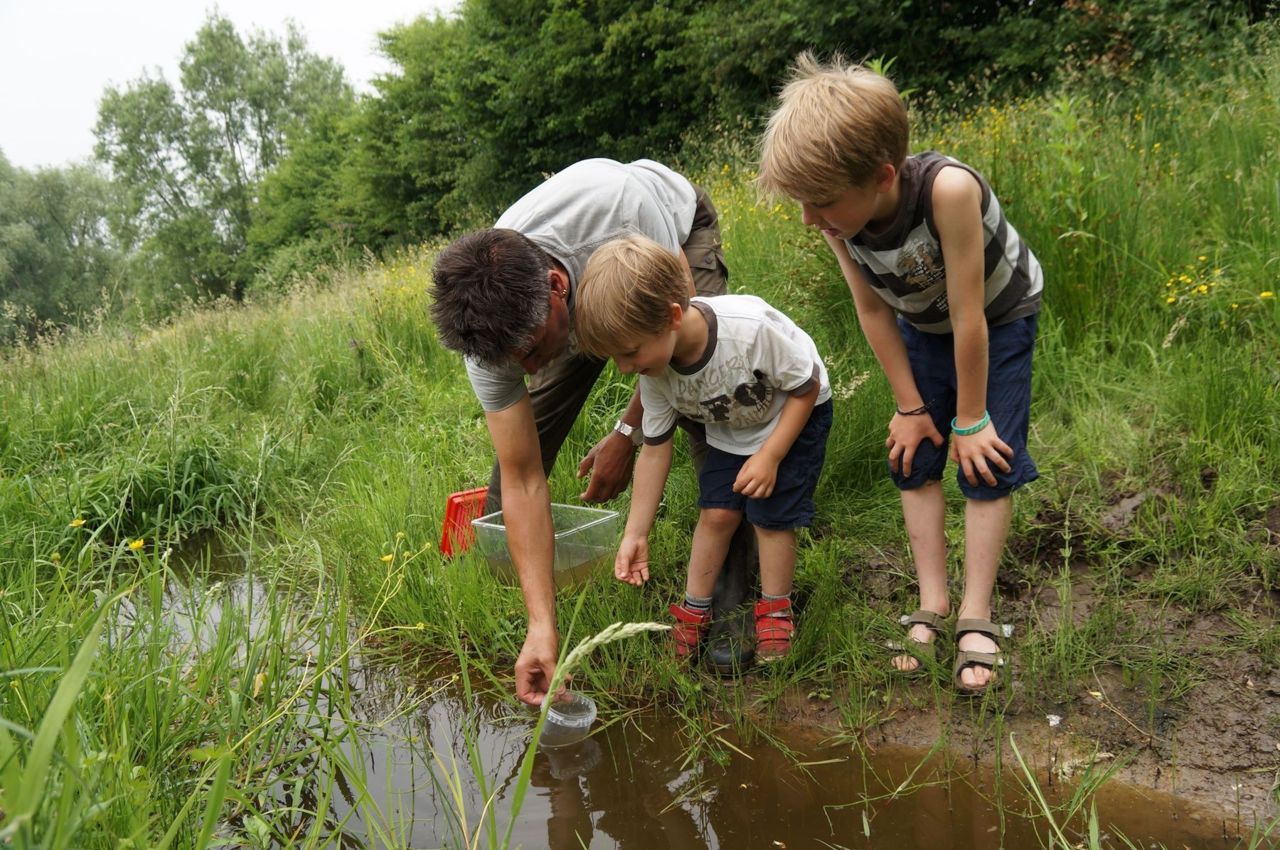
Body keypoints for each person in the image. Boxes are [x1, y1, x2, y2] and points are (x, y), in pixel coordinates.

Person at [757, 54, 1043, 693]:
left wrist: (971, 420)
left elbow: (971, 318)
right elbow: (871, 309)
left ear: (883, 175)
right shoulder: (837, 217)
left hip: (996, 318)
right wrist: (911, 407)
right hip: (920, 322)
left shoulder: (949, 191)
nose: (810, 219)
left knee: (985, 458)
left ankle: (976, 614)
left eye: (821, 203)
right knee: (913, 456)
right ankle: (933, 603)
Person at [429, 159, 757, 706]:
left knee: (707, 405)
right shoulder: (492, 334)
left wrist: (628, 433)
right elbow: (524, 478)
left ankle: (734, 600)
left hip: (669, 241)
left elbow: (666, 344)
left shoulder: (620, 210)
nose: (530, 370)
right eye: (516, 363)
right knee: (523, 441)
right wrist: (543, 623)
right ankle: (522, 610)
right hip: (565, 306)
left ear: (557, 288)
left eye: (532, 353)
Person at [574, 235, 833, 663]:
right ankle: (695, 610)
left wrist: (769, 456)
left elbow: (805, 387)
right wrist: (636, 533)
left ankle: (775, 608)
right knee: (716, 512)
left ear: (672, 316)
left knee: (770, 516)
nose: (624, 369)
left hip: (793, 415)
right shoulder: (655, 374)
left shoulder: (749, 331)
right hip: (731, 426)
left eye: (629, 352)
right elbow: (655, 450)